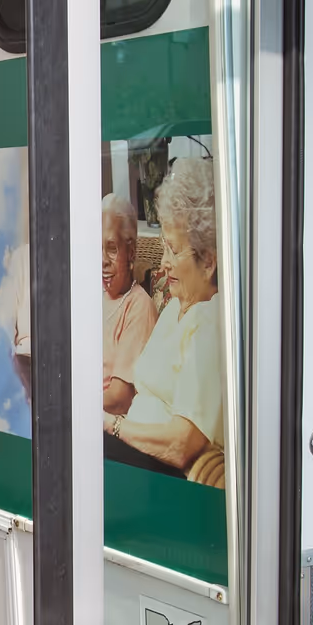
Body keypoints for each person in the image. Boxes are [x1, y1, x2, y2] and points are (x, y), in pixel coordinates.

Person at [106, 157, 224, 475]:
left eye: (172, 249)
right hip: (134, 456)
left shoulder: (211, 324)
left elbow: (182, 443)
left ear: (209, 261)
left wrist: (112, 427)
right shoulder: (175, 306)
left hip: (159, 473)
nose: (163, 263)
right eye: (163, 247)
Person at [100, 191, 158, 416]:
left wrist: (68, 403)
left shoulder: (139, 307)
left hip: (107, 428)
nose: (102, 259)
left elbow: (119, 399)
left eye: (111, 248)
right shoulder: (94, 296)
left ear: (131, 251)